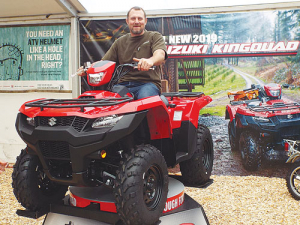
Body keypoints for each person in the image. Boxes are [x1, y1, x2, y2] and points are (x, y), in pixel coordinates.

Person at [79, 6, 168, 99]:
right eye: (133, 18)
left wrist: (150, 61)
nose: (136, 21)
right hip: (123, 85)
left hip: (147, 84)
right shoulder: (120, 42)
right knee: (108, 102)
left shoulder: (154, 36)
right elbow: (104, 62)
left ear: (145, 21)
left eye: (140, 18)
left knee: (145, 101)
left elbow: (160, 54)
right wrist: (88, 69)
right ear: (127, 21)